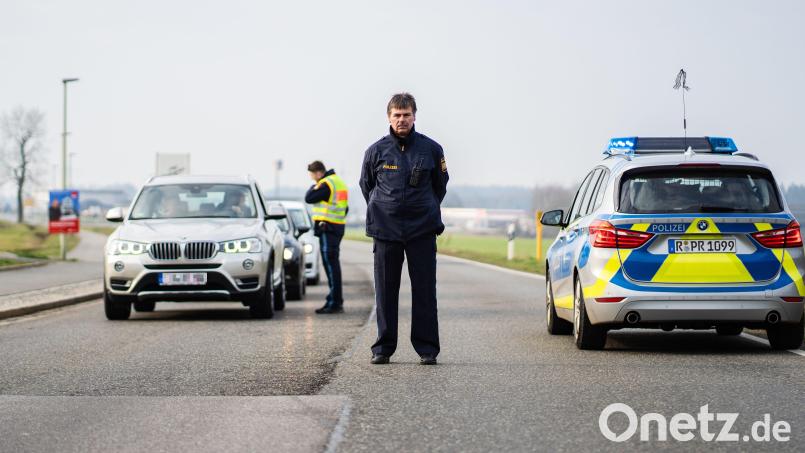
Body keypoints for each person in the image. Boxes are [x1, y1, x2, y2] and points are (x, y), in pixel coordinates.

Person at [359, 93, 449, 365]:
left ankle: (427, 349)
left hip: (422, 230)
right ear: (389, 117)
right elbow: (367, 186)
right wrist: (384, 208)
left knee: (425, 291)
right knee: (386, 292)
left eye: (406, 115)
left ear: (414, 116)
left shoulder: (431, 149)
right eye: (397, 115)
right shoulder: (375, 151)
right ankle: (383, 348)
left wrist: (425, 207)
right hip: (386, 230)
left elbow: (440, 185)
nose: (402, 120)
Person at [305, 160, 349, 314]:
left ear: (318, 173)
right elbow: (345, 208)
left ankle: (335, 302)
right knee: (332, 265)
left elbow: (309, 197)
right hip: (336, 226)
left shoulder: (326, 184)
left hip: (328, 228)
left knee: (331, 266)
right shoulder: (338, 182)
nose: (312, 179)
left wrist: (314, 185)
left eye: (312, 176)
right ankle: (334, 299)